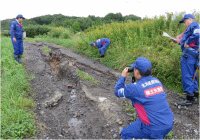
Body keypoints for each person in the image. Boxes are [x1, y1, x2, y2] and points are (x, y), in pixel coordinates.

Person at [115, 57, 173, 139]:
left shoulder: (136, 88)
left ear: (137, 72)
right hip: (168, 122)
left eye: (134, 69)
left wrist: (123, 76)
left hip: (153, 127)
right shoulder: (157, 81)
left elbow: (117, 92)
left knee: (125, 134)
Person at [173, 14, 199, 106]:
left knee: (187, 75)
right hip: (193, 54)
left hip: (188, 55)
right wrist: (179, 42)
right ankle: (195, 95)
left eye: (184, 21)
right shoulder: (192, 27)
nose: (184, 24)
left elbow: (197, 34)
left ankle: (189, 98)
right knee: (192, 74)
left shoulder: (194, 25)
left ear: (190, 19)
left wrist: (187, 42)